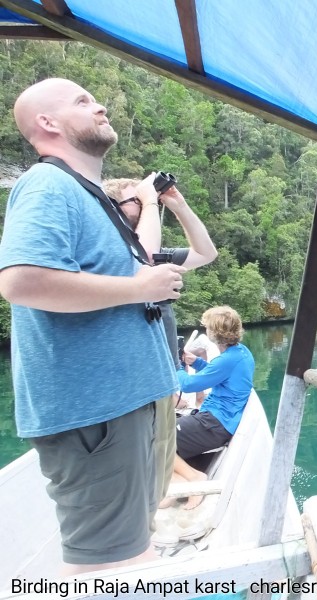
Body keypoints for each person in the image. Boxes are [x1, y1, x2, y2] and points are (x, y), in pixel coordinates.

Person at [0, 78, 185, 574]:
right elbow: (22, 280)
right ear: (48, 123)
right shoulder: (46, 184)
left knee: (129, 552)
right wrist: (139, 289)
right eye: (82, 100)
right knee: (109, 570)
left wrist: (149, 206)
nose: (99, 104)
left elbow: (134, 261)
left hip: (123, 408)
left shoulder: (88, 196)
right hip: (95, 415)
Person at [103, 176, 217, 519]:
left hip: (162, 364)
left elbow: (206, 253)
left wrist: (178, 205)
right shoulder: (113, 251)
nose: (144, 202)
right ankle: (171, 484)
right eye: (135, 199)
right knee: (145, 433)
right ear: (115, 209)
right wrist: (150, 201)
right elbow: (142, 255)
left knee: (159, 432)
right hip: (132, 367)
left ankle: (176, 483)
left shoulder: (152, 256)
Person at [169, 306, 254, 509]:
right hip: (215, 419)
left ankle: (193, 480)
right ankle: (176, 484)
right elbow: (218, 373)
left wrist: (176, 366)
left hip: (215, 424)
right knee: (159, 434)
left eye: (207, 327)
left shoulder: (227, 359)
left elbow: (188, 385)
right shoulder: (240, 353)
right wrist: (195, 362)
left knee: (157, 439)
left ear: (214, 333)